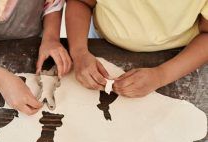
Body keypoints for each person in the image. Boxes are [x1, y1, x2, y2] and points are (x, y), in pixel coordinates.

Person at [66, 0, 208, 98]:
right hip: (101, 41)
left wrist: (161, 75)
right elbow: (81, 2)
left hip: (179, 55)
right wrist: (79, 51)